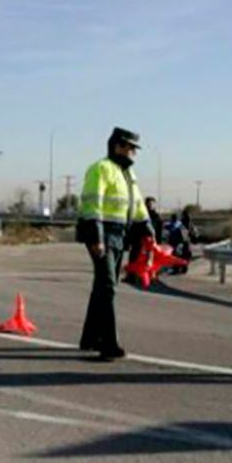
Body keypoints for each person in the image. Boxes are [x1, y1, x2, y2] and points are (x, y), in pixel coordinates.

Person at [77, 127, 154, 360]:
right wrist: (96, 237)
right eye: (131, 148)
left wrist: (148, 229)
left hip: (119, 236)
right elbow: (92, 205)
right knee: (108, 286)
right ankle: (107, 342)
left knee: (104, 286)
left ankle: (89, 338)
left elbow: (138, 206)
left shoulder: (128, 175)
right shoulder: (101, 169)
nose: (134, 153)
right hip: (102, 235)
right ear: (117, 146)